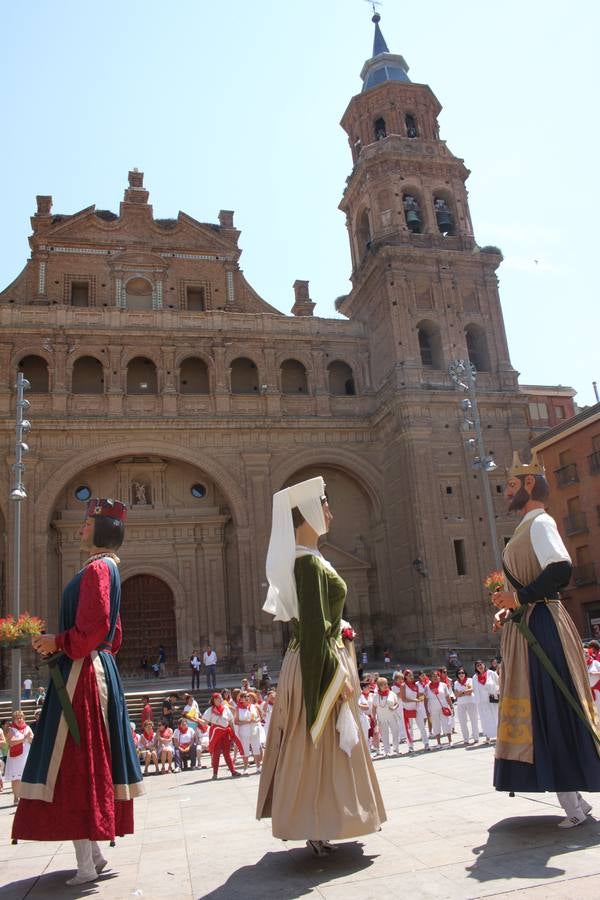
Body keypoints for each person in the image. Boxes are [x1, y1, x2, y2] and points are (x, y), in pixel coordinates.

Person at [13, 498, 144, 885]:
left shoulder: (98, 571)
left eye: (86, 524)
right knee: (78, 761)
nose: (79, 529)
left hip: (81, 676)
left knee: (74, 762)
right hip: (89, 669)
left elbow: (97, 629)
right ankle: (96, 855)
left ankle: (87, 864)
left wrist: (58, 641)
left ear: (101, 529)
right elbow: (112, 636)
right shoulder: (104, 569)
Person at [256, 476, 385, 856]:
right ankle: (316, 821)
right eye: (324, 506)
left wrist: (341, 625)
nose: (330, 512)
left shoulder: (311, 560)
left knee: (320, 744)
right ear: (308, 514)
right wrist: (332, 681)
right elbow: (313, 632)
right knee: (317, 740)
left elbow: (319, 620)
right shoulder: (308, 564)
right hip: (318, 662)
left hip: (319, 655)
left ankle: (322, 819)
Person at [492, 452, 600, 828]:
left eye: (510, 485)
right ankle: (574, 802)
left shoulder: (540, 523)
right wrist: (510, 608)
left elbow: (561, 569)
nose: (506, 492)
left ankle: (573, 803)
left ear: (529, 485)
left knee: (552, 704)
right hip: (529, 626)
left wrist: (519, 599)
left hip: (544, 628)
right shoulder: (526, 527)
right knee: (542, 708)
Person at [204, 692, 243, 780]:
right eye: (218, 698)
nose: (221, 700)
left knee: (227, 753)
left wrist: (233, 733)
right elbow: (205, 723)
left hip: (225, 732)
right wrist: (195, 719)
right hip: (216, 732)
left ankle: (233, 771)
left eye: (221, 698)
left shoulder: (225, 708)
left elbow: (230, 721)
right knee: (216, 753)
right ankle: (215, 773)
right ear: (214, 700)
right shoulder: (210, 710)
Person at [4, 710, 34, 804]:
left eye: (20, 717)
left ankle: (26, 796)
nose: (19, 720)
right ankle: (16, 797)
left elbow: (32, 740)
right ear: (13, 720)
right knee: (16, 778)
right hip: (15, 757)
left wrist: (30, 739)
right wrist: (24, 739)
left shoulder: (28, 727)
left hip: (26, 754)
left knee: (26, 775)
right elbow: (10, 742)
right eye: (17, 718)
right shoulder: (12, 729)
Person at [401, 669, 430, 752]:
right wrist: (414, 700)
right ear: (405, 676)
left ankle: (426, 743)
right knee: (410, 729)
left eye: (412, 675)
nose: (411, 676)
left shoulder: (415, 685)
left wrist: (421, 697)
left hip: (417, 708)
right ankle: (410, 746)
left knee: (422, 726)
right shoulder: (403, 686)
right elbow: (403, 699)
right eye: (409, 675)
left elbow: (417, 696)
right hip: (407, 708)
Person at [235, 691, 263, 773]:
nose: (247, 698)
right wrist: (247, 722)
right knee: (245, 749)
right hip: (244, 731)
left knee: (256, 748)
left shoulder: (254, 707)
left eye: (248, 696)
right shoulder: (238, 709)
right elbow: (236, 721)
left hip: (254, 730)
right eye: (244, 696)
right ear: (241, 699)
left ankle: (258, 767)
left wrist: (255, 720)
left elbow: (260, 718)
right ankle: (245, 768)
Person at [372, 677, 401, 757]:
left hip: (392, 716)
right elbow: (374, 707)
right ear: (379, 686)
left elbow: (397, 703)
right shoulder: (376, 696)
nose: (385, 686)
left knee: (395, 732)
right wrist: (374, 717)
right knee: (384, 734)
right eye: (383, 685)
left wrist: (394, 708)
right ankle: (387, 751)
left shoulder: (392, 693)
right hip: (382, 718)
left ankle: (396, 749)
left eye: (386, 684)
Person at [473, 660, 500, 744]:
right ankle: (488, 737)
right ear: (476, 668)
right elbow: (474, 689)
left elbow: (499, 683)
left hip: (492, 700)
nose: (480, 666)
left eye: (481, 664)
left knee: (495, 717)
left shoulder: (491, 673)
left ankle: (499, 736)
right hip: (482, 702)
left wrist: (497, 693)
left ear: (484, 665)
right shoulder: (475, 677)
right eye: (477, 666)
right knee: (485, 719)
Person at [425, 670, 453, 748]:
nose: (435, 677)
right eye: (433, 676)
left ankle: (450, 741)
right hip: (433, 708)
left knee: (447, 723)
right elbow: (425, 699)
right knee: (435, 724)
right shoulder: (427, 687)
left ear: (439, 677)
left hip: (443, 706)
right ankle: (438, 743)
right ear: (431, 677)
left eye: (436, 676)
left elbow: (447, 696)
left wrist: (451, 706)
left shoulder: (443, 685)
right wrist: (427, 710)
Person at [453, 667, 479, 745]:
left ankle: (476, 738)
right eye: (459, 673)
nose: (461, 674)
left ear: (465, 673)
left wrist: (461, 693)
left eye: (462, 673)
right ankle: (466, 739)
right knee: (462, 722)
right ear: (457, 675)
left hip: (471, 702)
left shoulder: (470, 680)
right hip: (461, 704)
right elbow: (456, 694)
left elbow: (470, 691)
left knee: (474, 720)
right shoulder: (456, 683)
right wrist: (464, 692)